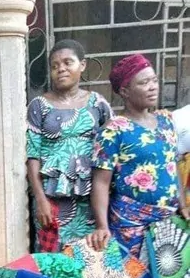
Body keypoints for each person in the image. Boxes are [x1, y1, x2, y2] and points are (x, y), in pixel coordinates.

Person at [88, 54, 190, 258]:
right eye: (144, 83)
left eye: (154, 80)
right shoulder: (113, 130)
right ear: (125, 91)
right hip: (130, 225)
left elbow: (172, 167)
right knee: (134, 275)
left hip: (168, 223)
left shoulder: (166, 121)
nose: (153, 87)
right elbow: (100, 183)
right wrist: (102, 226)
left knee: (167, 274)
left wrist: (182, 205)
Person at [26, 39, 112, 252]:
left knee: (89, 257)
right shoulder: (39, 106)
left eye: (67, 62)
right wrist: (40, 199)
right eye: (55, 66)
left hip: (91, 199)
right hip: (51, 201)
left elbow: (110, 149)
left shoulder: (98, 104)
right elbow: (32, 155)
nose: (61, 69)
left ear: (82, 65)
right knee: (53, 260)